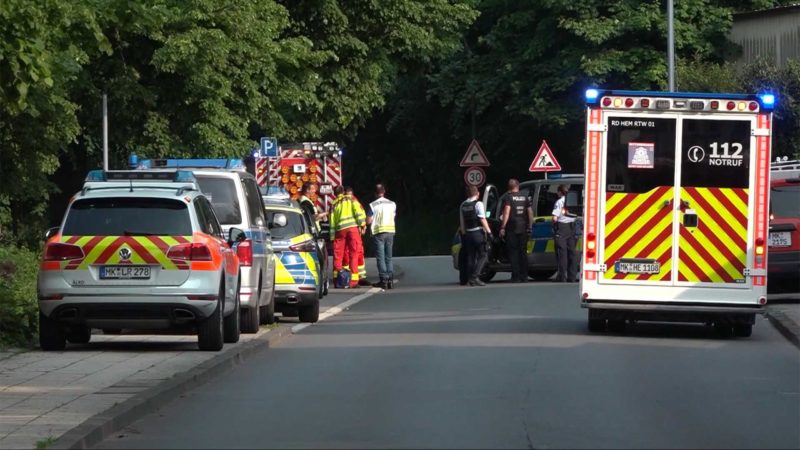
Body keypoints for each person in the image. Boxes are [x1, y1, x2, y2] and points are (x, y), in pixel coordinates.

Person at [499, 179, 534, 283]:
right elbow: (530, 213)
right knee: (523, 252)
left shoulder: (508, 197)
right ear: (517, 186)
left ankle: (516, 277)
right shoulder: (525, 197)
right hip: (523, 228)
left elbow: (506, 212)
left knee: (513, 253)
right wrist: (530, 226)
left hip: (512, 228)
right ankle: (525, 276)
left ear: (509, 188)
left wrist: (503, 227)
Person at [330, 185, 365, 288]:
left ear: (334, 194)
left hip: (340, 231)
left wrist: (332, 237)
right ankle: (353, 282)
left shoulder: (333, 204)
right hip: (352, 229)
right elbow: (358, 212)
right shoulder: (351, 199)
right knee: (354, 254)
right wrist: (362, 224)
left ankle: (337, 280)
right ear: (344, 191)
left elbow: (332, 222)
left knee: (338, 255)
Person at [459, 185, 492, 286]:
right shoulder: (478, 204)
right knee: (483, 256)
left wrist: (464, 234)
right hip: (477, 233)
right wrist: (489, 232)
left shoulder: (463, 205)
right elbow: (482, 219)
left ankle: (470, 279)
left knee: (470, 257)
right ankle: (475, 277)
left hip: (468, 234)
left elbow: (462, 222)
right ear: (477, 193)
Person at [366, 184, 396, 289]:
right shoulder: (392, 204)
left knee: (380, 258)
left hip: (379, 233)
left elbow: (369, 220)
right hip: (390, 231)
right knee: (389, 257)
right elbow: (393, 215)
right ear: (384, 192)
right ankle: (390, 279)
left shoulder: (373, 205)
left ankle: (383, 279)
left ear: (375, 193)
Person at [345, 187, 370, 286]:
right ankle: (354, 277)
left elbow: (361, 215)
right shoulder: (353, 202)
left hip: (354, 232)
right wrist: (363, 226)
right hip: (353, 232)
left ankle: (359, 276)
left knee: (356, 254)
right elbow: (361, 215)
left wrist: (363, 226)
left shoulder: (354, 202)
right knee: (353, 254)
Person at [552, 184, 578, 282]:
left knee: (562, 253)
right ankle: (572, 277)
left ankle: (562, 277)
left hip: (562, 227)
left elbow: (555, 217)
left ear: (559, 192)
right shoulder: (573, 200)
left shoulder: (559, 202)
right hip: (572, 227)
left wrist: (554, 226)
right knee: (572, 253)